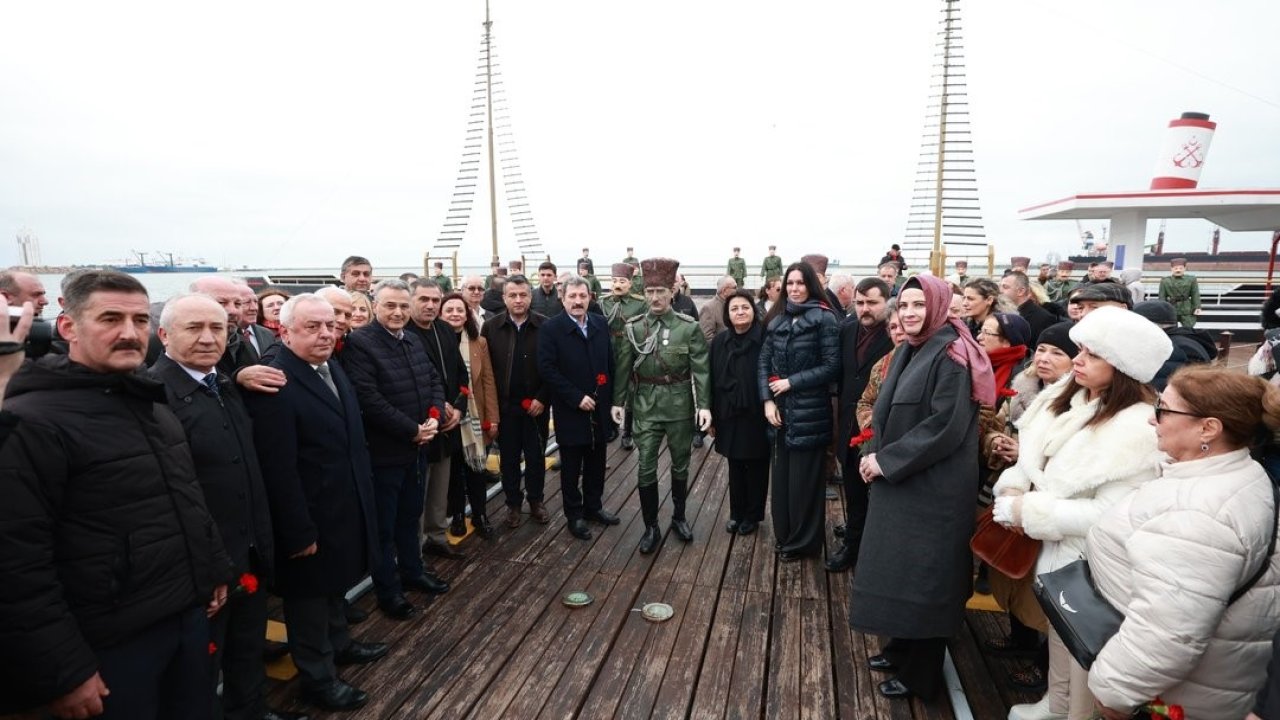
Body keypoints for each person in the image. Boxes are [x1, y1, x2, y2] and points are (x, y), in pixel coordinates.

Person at [0, 270, 231, 719]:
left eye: (140, 320)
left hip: (181, 618)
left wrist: (212, 565)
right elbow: (15, 563)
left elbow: (184, 497)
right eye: (110, 318)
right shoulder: (33, 422)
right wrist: (63, 670)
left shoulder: (151, 406)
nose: (130, 333)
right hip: (108, 646)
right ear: (68, 327)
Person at [993, 306, 1170, 720]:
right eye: (1081, 349)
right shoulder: (1064, 396)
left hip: (1091, 562)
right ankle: (1055, 705)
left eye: (1092, 354)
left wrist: (1029, 510)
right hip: (1054, 552)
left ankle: (1072, 712)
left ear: (1123, 367)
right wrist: (1016, 483)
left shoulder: (1136, 429)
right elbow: (1033, 455)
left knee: (1085, 650)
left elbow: (1112, 513)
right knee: (1059, 638)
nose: (1077, 359)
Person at [1088, 366, 1280, 719]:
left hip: (1172, 697)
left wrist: (1113, 690)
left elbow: (1169, 632)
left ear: (1208, 428)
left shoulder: (1199, 513)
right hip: (1203, 686)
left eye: (1163, 409)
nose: (1152, 420)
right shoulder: (1236, 477)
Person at [148, 294, 301, 720]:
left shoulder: (226, 386)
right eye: (193, 328)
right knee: (200, 665)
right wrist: (202, 568)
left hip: (247, 547)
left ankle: (250, 710)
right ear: (163, 335)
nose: (207, 338)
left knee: (247, 646)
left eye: (217, 329)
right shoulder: (154, 398)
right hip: (202, 565)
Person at [850, 274, 991, 701]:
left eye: (918, 305)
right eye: (904, 305)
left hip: (933, 490)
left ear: (939, 306)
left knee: (926, 579)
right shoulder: (916, 347)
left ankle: (921, 675)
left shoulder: (951, 354)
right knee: (900, 569)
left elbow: (942, 428)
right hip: (906, 480)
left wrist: (884, 460)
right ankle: (900, 648)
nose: (909, 313)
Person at [244, 295, 384, 712]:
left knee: (334, 586)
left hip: (343, 504)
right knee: (306, 602)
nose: (326, 333)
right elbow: (278, 469)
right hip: (308, 515)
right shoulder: (277, 382)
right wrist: (297, 530)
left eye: (330, 326)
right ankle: (318, 679)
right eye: (313, 327)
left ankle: (340, 644)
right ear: (284, 332)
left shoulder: (329, 367)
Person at [979, 322, 1078, 692]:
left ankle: (1045, 667)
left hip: (1048, 509)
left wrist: (1026, 455)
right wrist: (997, 443)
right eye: (1042, 349)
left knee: (1050, 589)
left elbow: (1075, 465)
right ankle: (1019, 637)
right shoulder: (1026, 389)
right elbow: (997, 425)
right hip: (1013, 496)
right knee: (1016, 573)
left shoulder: (1080, 403)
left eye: (1058, 352)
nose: (1045, 357)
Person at [342, 280, 449, 621]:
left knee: (409, 516)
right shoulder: (361, 344)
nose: (398, 312)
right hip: (385, 453)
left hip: (416, 448)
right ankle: (389, 591)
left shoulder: (412, 340)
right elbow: (369, 398)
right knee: (384, 527)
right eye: (390, 305)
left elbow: (433, 381)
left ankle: (413, 571)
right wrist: (412, 429)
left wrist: (432, 418)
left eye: (403, 306)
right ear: (375, 305)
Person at [611, 258, 712, 554]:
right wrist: (618, 401)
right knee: (645, 466)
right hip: (644, 406)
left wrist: (703, 406)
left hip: (679, 406)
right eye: (650, 291)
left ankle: (679, 516)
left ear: (673, 291)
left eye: (661, 291)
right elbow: (623, 367)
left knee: (680, 464)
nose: (655, 297)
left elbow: (702, 370)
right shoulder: (635, 327)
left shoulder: (688, 328)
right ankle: (651, 526)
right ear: (644, 293)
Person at [759, 262, 841, 562]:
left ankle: (804, 543)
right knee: (781, 480)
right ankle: (785, 535)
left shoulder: (825, 319)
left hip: (810, 411)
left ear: (811, 286)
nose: (794, 288)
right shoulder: (777, 320)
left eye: (800, 283)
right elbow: (764, 362)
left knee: (805, 483)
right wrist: (767, 400)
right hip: (779, 412)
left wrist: (792, 382)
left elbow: (832, 367)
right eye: (789, 283)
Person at [538, 277, 619, 540]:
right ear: (563, 299)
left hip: (599, 406)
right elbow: (547, 369)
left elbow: (609, 362)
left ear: (590, 297)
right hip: (570, 408)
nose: (577, 301)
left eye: (582, 296)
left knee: (597, 462)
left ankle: (593, 507)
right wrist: (575, 397)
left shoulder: (600, 324)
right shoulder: (551, 329)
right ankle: (574, 515)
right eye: (572, 296)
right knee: (571, 467)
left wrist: (613, 400)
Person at [828, 277, 894, 572]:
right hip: (847, 423)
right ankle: (855, 536)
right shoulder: (847, 329)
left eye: (872, 303)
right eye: (860, 302)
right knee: (852, 488)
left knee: (877, 492)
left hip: (879, 427)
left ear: (887, 303)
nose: (864, 309)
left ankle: (864, 546)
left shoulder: (895, 336)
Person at [405, 279, 469, 562]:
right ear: (411, 300)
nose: (430, 305)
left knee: (440, 486)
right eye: (424, 299)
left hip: (448, 422)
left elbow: (460, 372)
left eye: (435, 300)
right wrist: (437, 406)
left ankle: (436, 536)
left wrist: (459, 407)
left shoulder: (444, 329)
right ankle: (414, 548)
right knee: (418, 489)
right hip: (421, 423)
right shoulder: (404, 333)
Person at [483, 274, 552, 528]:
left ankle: (536, 500)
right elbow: (486, 370)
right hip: (506, 406)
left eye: (523, 294)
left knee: (536, 457)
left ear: (530, 296)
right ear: (504, 298)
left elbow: (554, 366)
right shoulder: (491, 328)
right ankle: (513, 504)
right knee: (509, 458)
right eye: (512, 295)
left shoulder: (546, 326)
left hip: (537, 405)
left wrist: (543, 397)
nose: (518, 299)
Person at [710, 289, 770, 535]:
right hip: (729, 413)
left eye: (744, 307)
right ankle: (736, 512)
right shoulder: (720, 342)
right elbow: (712, 379)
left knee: (756, 465)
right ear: (728, 314)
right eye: (734, 308)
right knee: (734, 465)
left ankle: (753, 515)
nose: (740, 312)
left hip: (757, 412)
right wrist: (712, 415)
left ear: (753, 310)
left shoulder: (765, 338)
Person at [439, 293, 500, 538]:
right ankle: (456, 516)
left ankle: (480, 513)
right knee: (453, 473)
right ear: (441, 314)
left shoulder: (479, 342)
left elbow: (488, 381)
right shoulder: (435, 342)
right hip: (448, 417)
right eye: (449, 310)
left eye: (459, 310)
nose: (455, 314)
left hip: (475, 416)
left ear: (467, 315)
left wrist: (493, 417)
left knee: (476, 470)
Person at [600, 263, 647, 451]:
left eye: (621, 281)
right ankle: (610, 427)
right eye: (613, 281)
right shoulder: (604, 302)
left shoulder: (640, 303)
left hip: (630, 350)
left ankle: (627, 432)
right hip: (607, 349)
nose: (617, 284)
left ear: (630, 283)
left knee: (629, 390)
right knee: (605, 387)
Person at [1000, 271, 1056, 345]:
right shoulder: (1003, 313)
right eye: (999, 287)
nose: (1000, 291)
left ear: (1021, 291)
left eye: (1005, 287)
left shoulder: (1043, 318)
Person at [1157, 257, 1202, 328]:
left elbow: (1195, 294)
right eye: (1176, 268)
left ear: (1185, 268)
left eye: (1181, 268)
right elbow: (1162, 296)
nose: (1178, 270)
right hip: (1171, 307)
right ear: (1171, 269)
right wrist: (1162, 309)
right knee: (1170, 329)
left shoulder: (1191, 279)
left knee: (1189, 328)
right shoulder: (1165, 281)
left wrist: (1197, 307)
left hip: (1187, 308)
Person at [699, 275, 739, 343]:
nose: (737, 290)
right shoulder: (708, 308)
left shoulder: (734, 304)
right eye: (734, 287)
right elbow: (707, 337)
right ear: (725, 291)